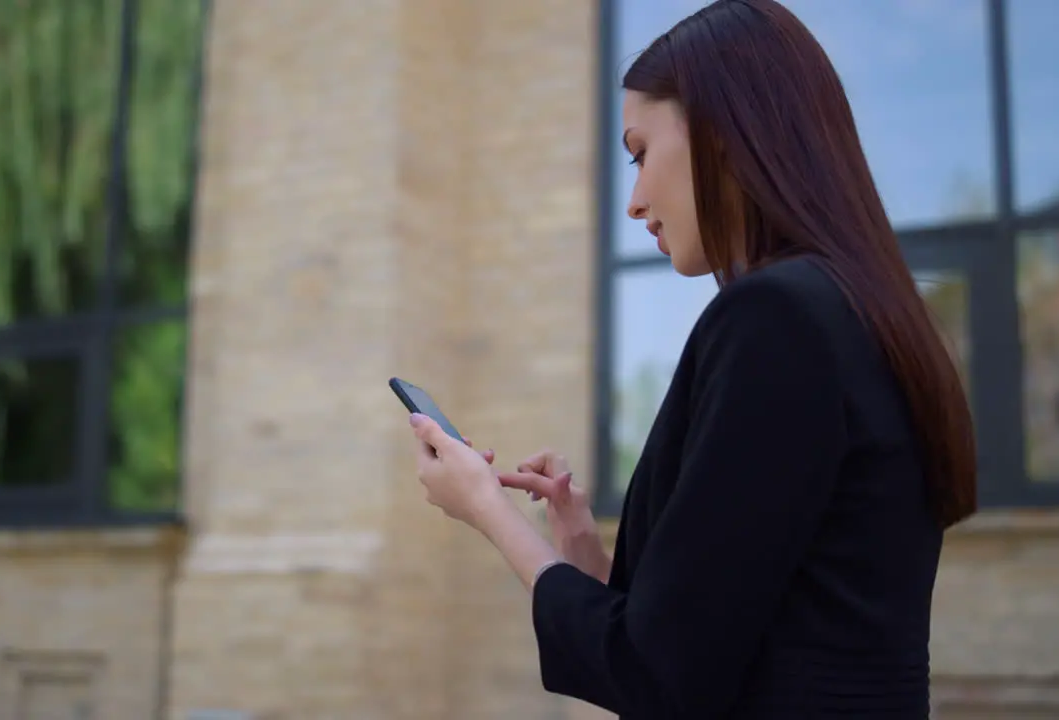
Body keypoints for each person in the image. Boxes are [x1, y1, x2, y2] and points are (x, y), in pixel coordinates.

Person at [403, 0, 978, 717]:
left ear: (722, 132)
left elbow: (660, 676)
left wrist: (488, 510)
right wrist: (583, 554)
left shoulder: (777, 318)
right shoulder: (862, 311)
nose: (635, 203)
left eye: (641, 154)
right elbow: (729, 633)